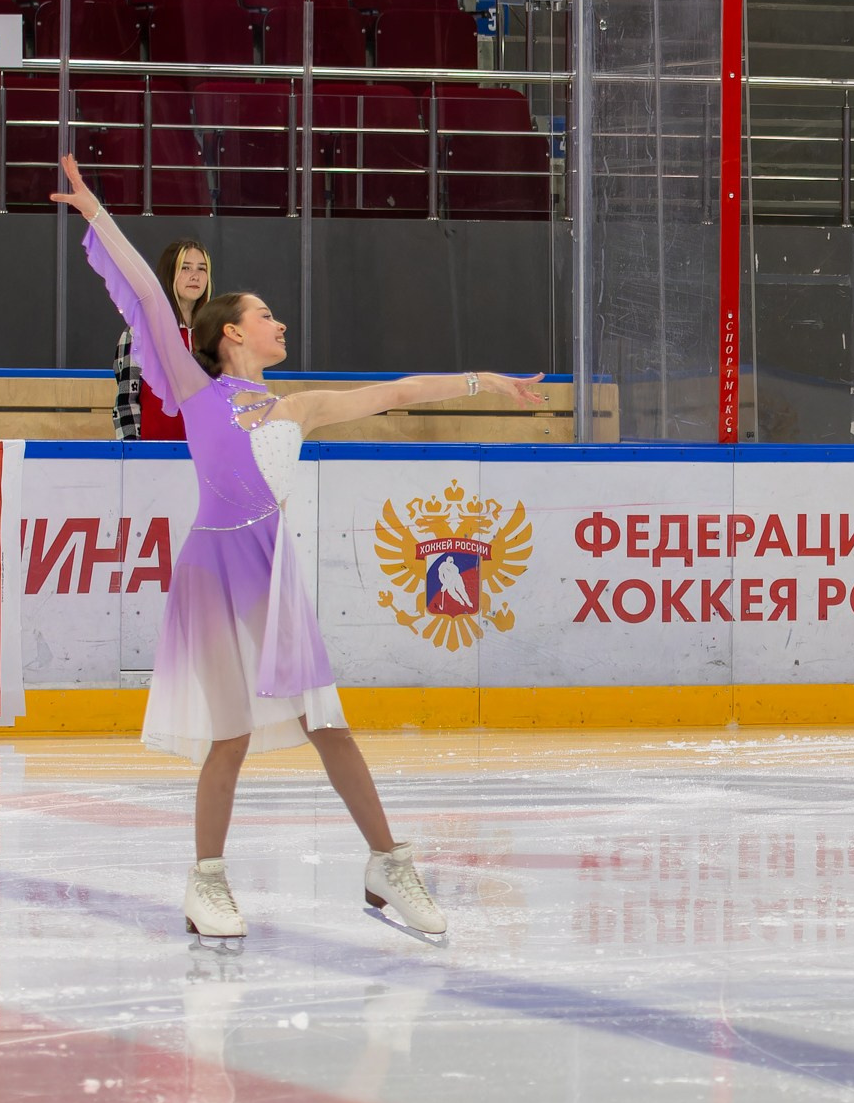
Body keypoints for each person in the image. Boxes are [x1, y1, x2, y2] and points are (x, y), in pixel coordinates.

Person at [52, 154, 546, 942]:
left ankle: (387, 862)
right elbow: (146, 293)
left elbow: (396, 392)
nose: (279, 324)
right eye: (266, 314)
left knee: (328, 724)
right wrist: (96, 215)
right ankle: (206, 882)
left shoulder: (298, 407)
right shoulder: (197, 391)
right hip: (212, 574)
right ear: (231, 331)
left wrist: (483, 379)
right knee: (230, 735)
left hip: (271, 578)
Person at [113, 238, 213, 441]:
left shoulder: (216, 333)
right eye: (185, 268)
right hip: (154, 452)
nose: (195, 276)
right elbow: (126, 401)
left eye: (201, 269)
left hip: (205, 453)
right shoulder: (141, 331)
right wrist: (133, 450)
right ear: (169, 273)